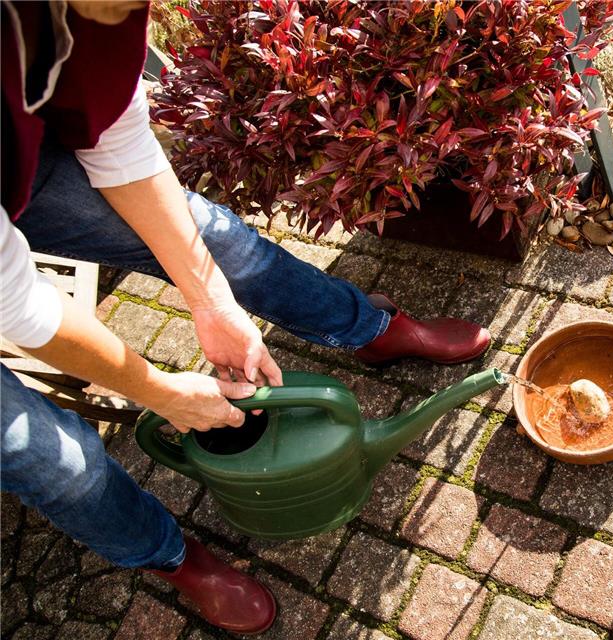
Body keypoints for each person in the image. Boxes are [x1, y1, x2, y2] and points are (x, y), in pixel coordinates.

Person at [0, 1, 490, 634]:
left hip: (22, 161)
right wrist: (162, 391)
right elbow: (23, 306)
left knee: (217, 243)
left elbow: (118, 143)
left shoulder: (101, 15)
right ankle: (173, 559)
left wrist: (212, 300)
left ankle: (370, 331)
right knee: (50, 459)